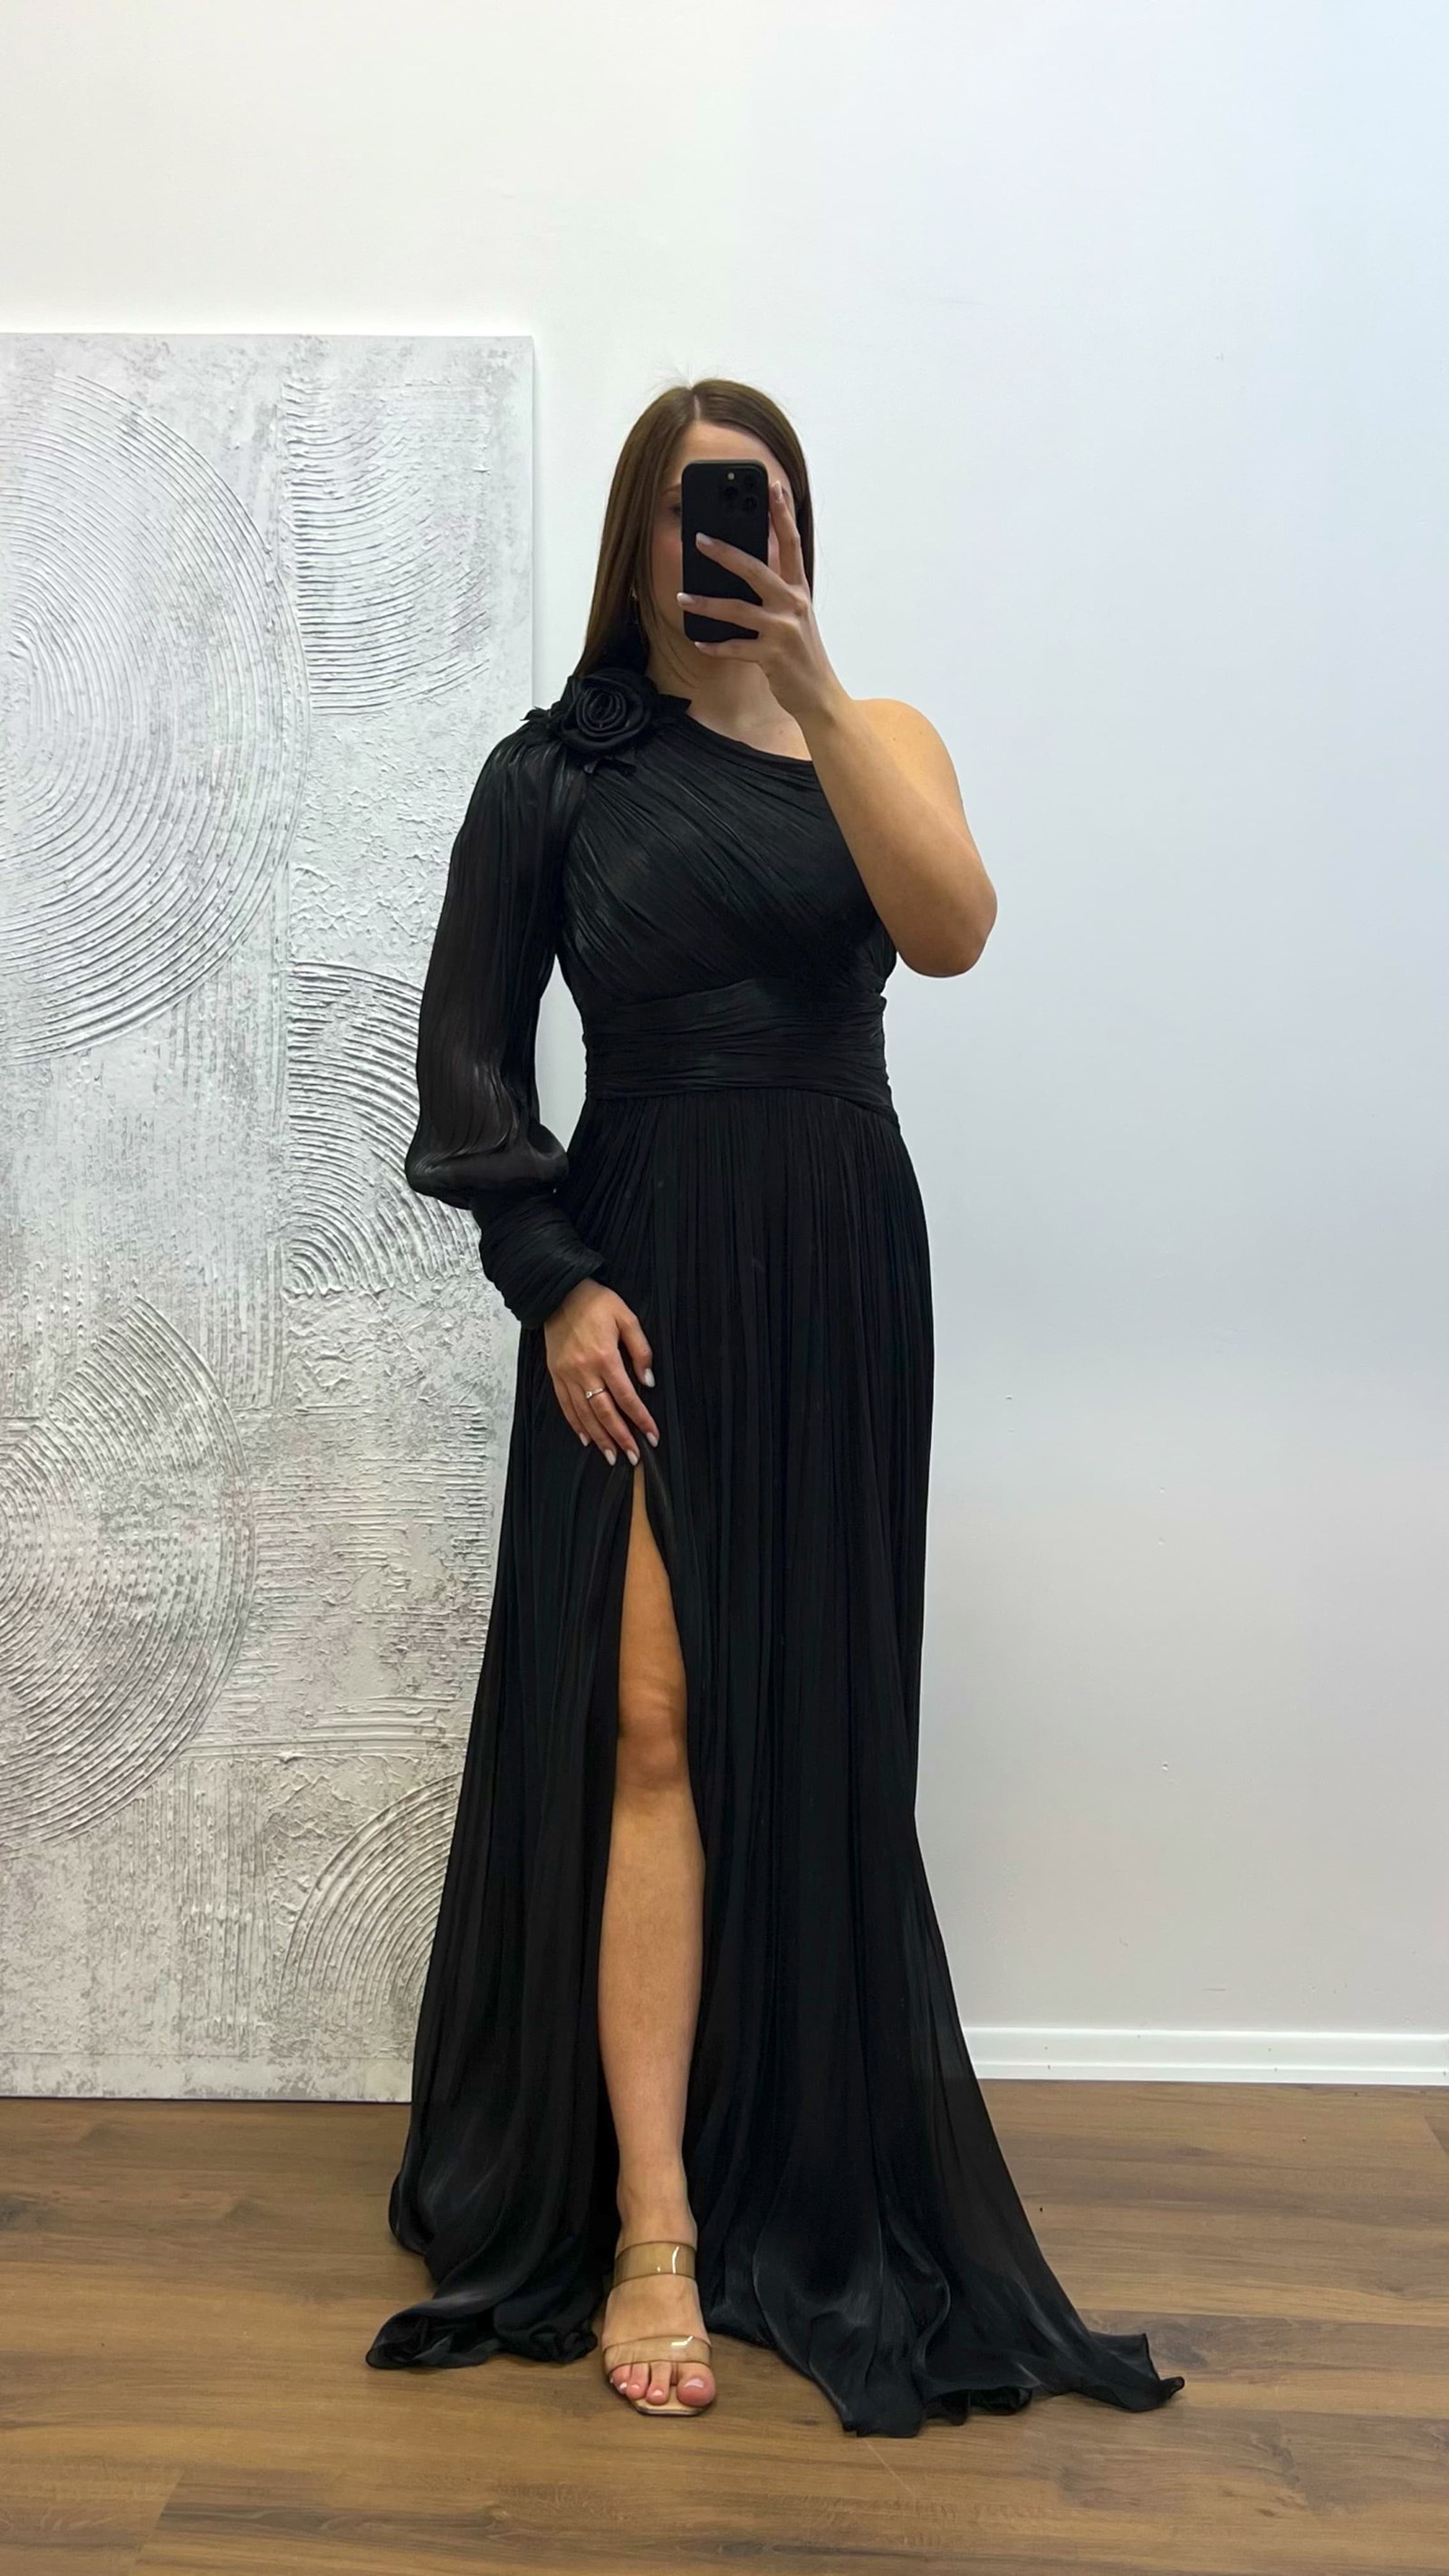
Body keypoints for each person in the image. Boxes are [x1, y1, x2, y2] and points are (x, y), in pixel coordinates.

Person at [364, 377, 1185, 2438]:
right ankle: (651, 2213)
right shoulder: (550, 778)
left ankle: (793, 2163)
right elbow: (467, 1059)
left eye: (757, 510)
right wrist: (551, 1283)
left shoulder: (877, 736)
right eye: (687, 510)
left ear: (796, 534)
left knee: (813, 1731)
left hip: (837, 1266)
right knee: (650, 1720)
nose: (720, 543)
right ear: (635, 538)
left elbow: (953, 934)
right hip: (640, 1272)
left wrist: (815, 687)